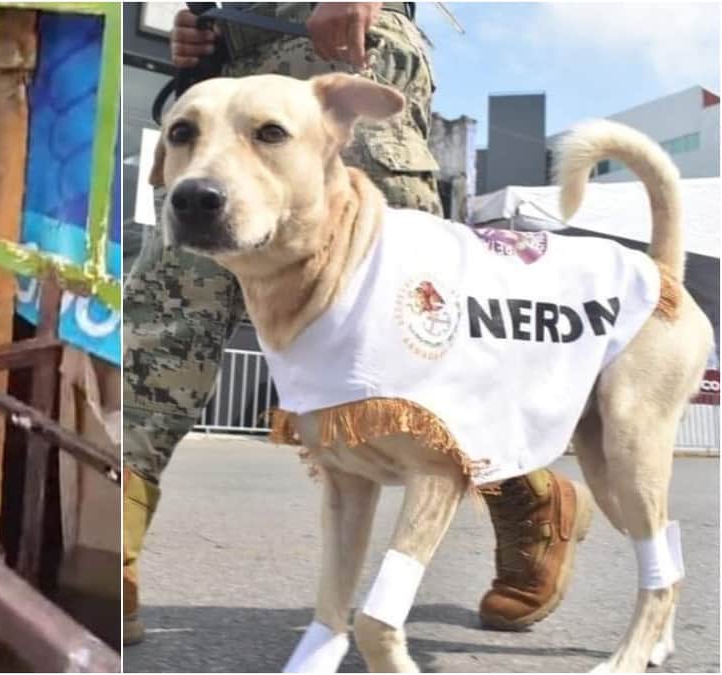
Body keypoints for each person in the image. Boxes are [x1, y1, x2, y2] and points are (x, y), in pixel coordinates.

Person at [123, 1, 592, 646]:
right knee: (163, 314)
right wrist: (205, 27)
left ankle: (523, 492)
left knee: (420, 331)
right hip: (234, 67)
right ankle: (109, 549)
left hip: (349, 48)